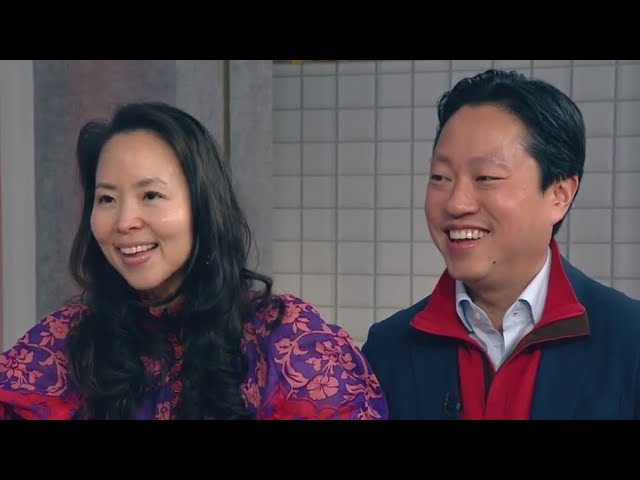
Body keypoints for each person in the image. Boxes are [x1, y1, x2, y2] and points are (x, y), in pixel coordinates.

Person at [0, 101, 388, 420]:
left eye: (150, 195)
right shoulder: (63, 343)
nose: (124, 222)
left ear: (203, 206)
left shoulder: (289, 343)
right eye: (106, 199)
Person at [362, 69, 640, 420]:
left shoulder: (630, 342)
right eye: (440, 178)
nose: (457, 203)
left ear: (559, 194)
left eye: (486, 178)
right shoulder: (388, 350)